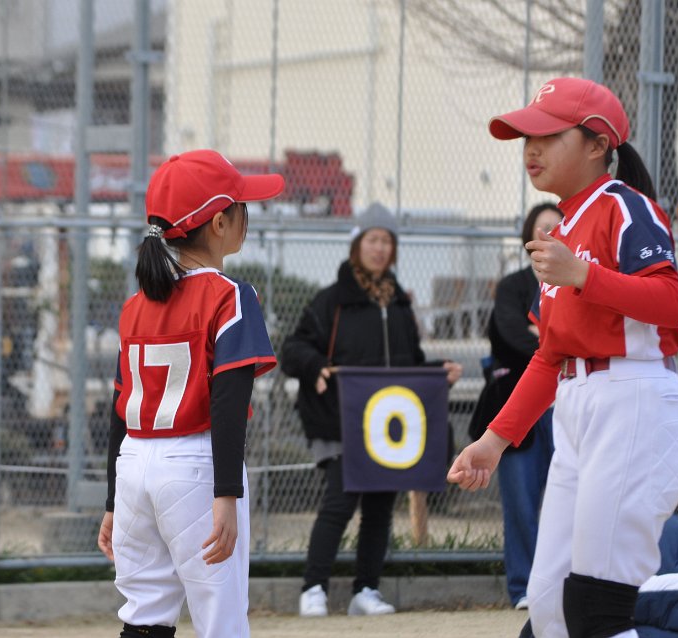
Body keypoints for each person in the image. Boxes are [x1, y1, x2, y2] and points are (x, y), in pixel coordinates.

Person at [447, 77, 678, 638]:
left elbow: (671, 303)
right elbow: (550, 356)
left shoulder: (625, 207)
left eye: (548, 135)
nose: (530, 149)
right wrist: (493, 441)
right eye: (526, 137)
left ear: (597, 144)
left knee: (595, 605)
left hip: (633, 402)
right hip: (579, 406)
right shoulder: (561, 230)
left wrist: (583, 274)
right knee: (548, 604)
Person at [96, 150, 283, 638]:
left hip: (134, 465)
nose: (247, 216)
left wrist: (114, 501)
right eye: (242, 208)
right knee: (221, 619)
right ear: (219, 223)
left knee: (145, 613)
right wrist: (227, 493)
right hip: (196, 467)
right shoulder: (230, 296)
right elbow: (228, 403)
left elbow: (119, 411)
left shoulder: (135, 305)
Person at [281, 202, 462, 618]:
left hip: (386, 431)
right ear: (357, 245)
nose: (380, 249)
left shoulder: (399, 305)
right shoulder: (332, 301)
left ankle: (366, 590)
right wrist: (316, 366)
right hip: (341, 422)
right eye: (373, 240)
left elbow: (410, 365)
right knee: (339, 504)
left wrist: (438, 372)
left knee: (380, 508)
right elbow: (293, 349)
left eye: (386, 242)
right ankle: (313, 588)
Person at [468, 202, 564, 611]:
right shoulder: (512, 285)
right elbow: (510, 333)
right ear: (528, 237)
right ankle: (524, 586)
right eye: (543, 228)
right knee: (521, 501)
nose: (550, 235)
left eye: (558, 228)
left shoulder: (574, 279)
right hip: (517, 406)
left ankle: (565, 584)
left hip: (567, 405)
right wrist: (553, 342)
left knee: (570, 499)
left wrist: (543, 335)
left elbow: (577, 335)